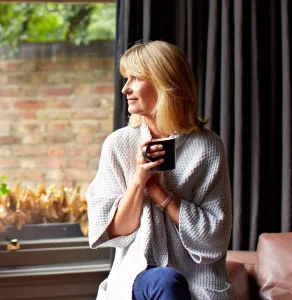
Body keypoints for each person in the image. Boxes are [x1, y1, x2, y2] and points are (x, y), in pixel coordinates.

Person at [86, 40, 233, 300]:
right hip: (139, 276)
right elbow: (113, 231)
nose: (125, 89)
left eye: (137, 78)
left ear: (165, 83)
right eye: (126, 78)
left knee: (173, 283)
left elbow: (214, 238)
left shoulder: (208, 147)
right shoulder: (118, 144)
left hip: (198, 278)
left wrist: (157, 191)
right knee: (165, 280)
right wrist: (139, 182)